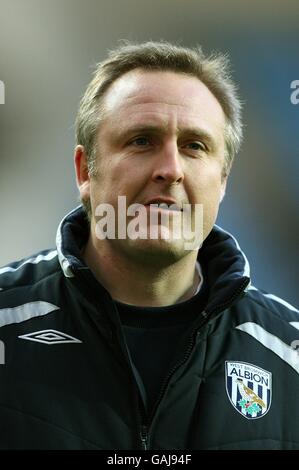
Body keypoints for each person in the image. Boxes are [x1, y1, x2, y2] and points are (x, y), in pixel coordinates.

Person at [0, 41, 298, 451]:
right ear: (86, 171)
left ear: (223, 180)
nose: (171, 170)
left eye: (195, 146)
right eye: (142, 140)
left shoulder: (289, 355)